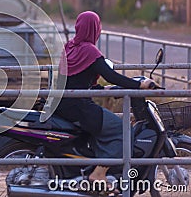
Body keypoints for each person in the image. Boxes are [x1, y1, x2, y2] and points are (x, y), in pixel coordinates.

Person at [56, 11, 156, 187]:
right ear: (95, 28)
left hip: (64, 105)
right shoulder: (89, 50)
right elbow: (110, 75)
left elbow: (74, 80)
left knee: (105, 127)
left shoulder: (69, 47)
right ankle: (99, 174)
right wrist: (138, 85)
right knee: (122, 129)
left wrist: (103, 89)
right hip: (80, 107)